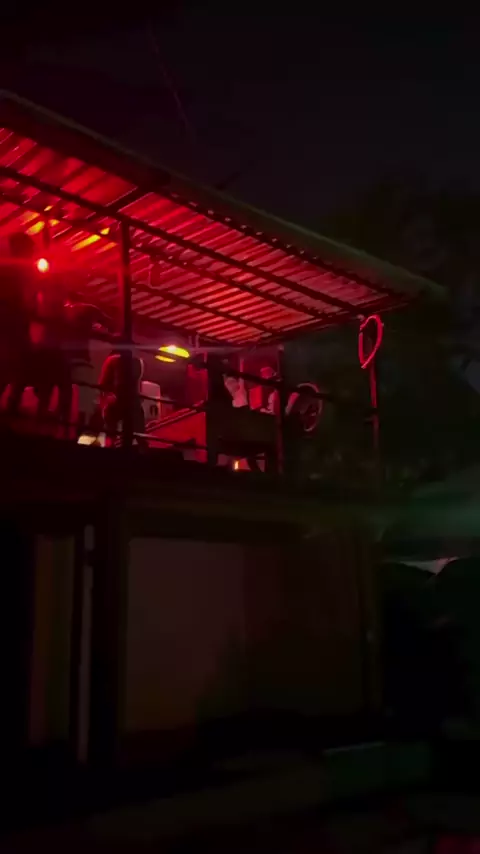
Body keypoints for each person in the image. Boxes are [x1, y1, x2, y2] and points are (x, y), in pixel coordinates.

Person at [0, 233, 37, 411]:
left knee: (15, 368)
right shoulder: (10, 269)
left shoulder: (18, 270)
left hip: (15, 326)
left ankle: (11, 406)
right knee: (13, 367)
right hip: (11, 326)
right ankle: (11, 406)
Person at [98, 346, 146, 446]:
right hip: (132, 403)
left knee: (111, 421)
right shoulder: (137, 361)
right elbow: (138, 387)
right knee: (138, 433)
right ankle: (141, 447)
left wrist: (106, 400)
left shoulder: (112, 360)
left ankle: (111, 444)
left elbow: (102, 384)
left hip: (118, 401)